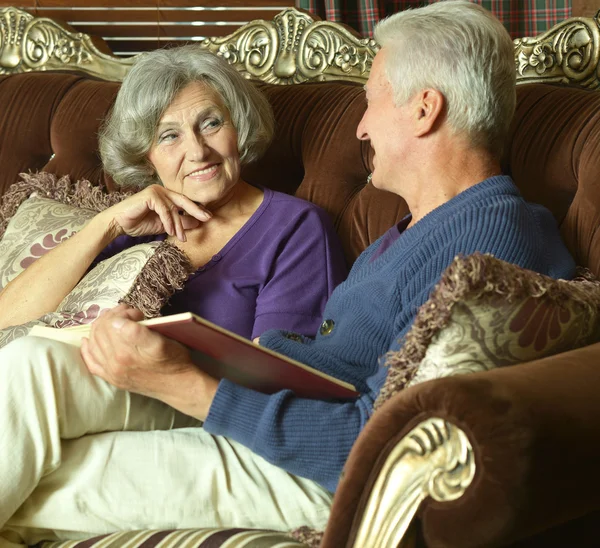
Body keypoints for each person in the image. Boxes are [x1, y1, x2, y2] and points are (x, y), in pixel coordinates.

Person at [0, 1, 576, 546]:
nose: (360, 129)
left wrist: (183, 383)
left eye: (372, 101)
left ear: (425, 109)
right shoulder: (416, 233)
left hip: (312, 468)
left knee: (49, 476)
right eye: (168, 135)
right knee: (30, 364)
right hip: (268, 405)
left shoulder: (488, 246)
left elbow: (380, 444)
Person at [0, 47, 347, 341]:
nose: (197, 152)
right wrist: (106, 224)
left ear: (238, 125)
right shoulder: (135, 225)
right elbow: (8, 318)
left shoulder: (294, 228)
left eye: (211, 123)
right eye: (169, 136)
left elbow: (275, 375)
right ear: (145, 157)